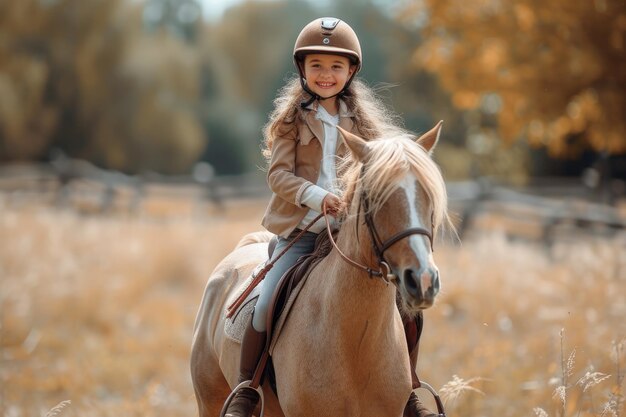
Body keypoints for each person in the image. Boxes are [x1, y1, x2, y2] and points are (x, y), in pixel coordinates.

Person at [224, 17, 437, 417]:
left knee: (406, 307)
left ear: (351, 71)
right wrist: (318, 197)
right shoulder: (290, 121)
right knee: (266, 300)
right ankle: (247, 389)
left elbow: (386, 172)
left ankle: (407, 390)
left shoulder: (365, 126)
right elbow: (278, 176)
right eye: (317, 65)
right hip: (301, 232)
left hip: (352, 235)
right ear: (302, 70)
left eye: (336, 66)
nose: (326, 75)